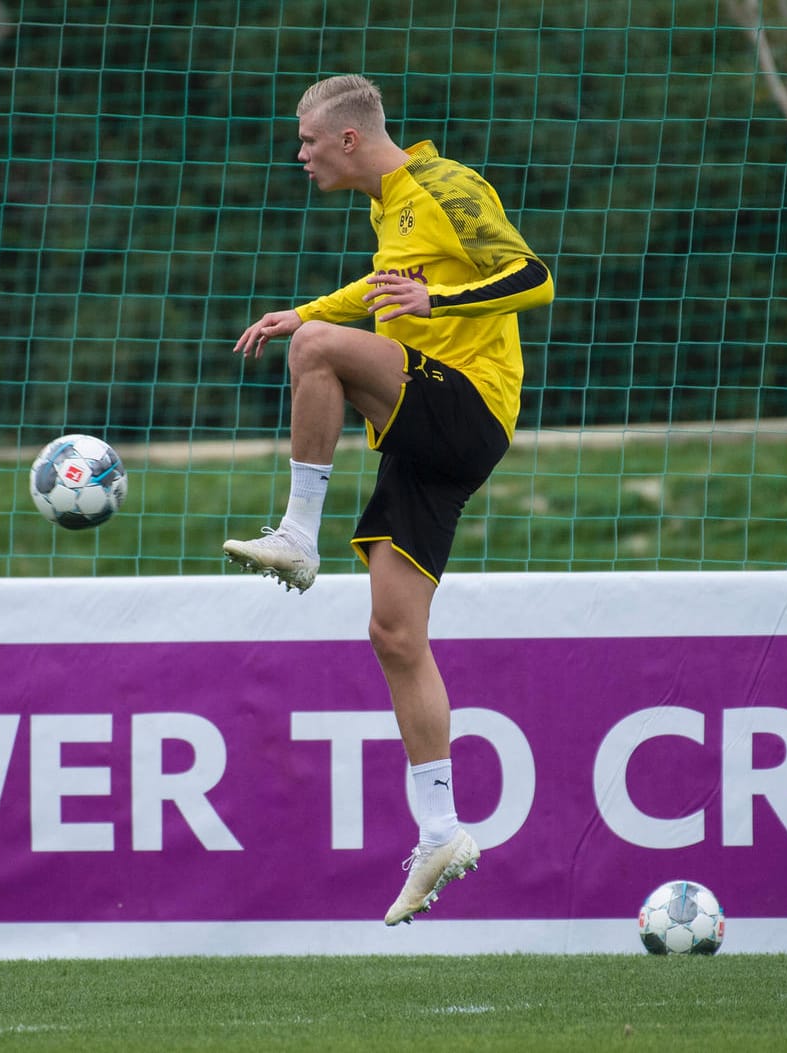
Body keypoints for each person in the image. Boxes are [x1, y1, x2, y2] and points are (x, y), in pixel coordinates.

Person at [224, 74, 554, 925]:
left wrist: (435, 299)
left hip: (468, 406)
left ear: (345, 139)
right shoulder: (385, 209)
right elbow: (377, 295)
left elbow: (533, 275)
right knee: (394, 633)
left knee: (324, 355)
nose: (296, 155)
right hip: (427, 437)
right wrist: (300, 311)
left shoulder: (447, 186)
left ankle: (299, 534)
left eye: (305, 140)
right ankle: (442, 827)